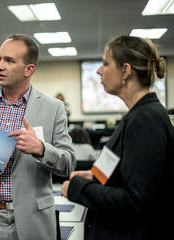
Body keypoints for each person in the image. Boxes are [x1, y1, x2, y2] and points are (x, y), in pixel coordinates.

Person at [0, 34, 76, 240]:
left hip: (32, 219)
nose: (0, 66)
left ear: (29, 69)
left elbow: (69, 162)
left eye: (9, 61)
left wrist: (41, 149)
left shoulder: (53, 108)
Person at [61, 36, 174, 240]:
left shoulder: (145, 120)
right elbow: (131, 176)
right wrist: (96, 178)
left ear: (125, 70)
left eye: (105, 63)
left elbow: (135, 201)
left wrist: (78, 189)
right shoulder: (139, 115)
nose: (98, 70)